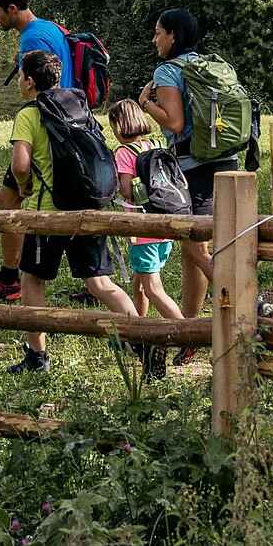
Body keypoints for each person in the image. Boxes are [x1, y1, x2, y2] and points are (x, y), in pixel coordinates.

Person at [5, 51, 138, 374]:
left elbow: (21, 164)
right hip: (87, 208)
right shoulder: (78, 106)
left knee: (33, 280)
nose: (20, 83)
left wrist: (23, 187)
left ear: (30, 81)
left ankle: (37, 356)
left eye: (21, 77)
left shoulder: (30, 114)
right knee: (101, 284)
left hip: (48, 214)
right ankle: (142, 339)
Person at [137, 8, 242, 353]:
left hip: (194, 167)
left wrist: (146, 103)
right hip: (226, 160)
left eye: (158, 33)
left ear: (173, 36)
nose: (155, 39)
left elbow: (175, 123)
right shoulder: (206, 65)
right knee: (192, 249)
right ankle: (192, 330)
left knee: (195, 246)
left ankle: (246, 305)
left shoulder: (168, 71)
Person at [0, 0, 73, 304]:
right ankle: (91, 275)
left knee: (8, 200)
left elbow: (37, 84)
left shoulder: (33, 37)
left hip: (45, 129)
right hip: (61, 122)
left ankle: (10, 279)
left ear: (12, 9)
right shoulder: (50, 28)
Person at [108, 97, 183, 380]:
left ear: (118, 125)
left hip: (142, 232)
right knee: (139, 287)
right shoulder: (155, 146)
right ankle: (136, 330)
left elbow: (127, 191)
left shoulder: (124, 152)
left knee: (153, 289)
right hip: (162, 225)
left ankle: (186, 332)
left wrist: (116, 182)